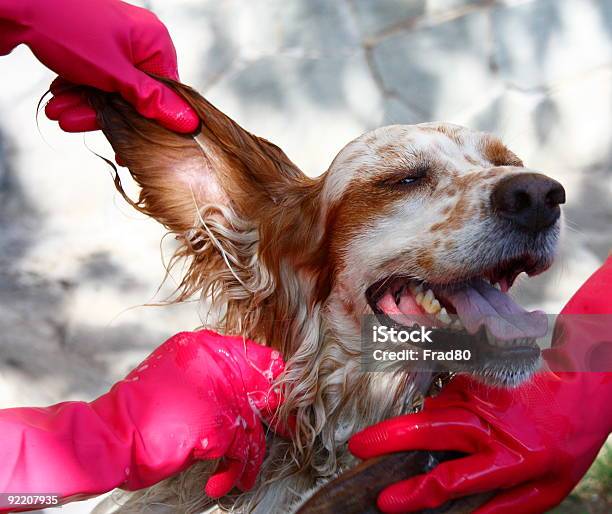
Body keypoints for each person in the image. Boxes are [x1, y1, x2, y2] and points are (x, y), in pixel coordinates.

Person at [0, 1, 609, 513]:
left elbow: (568, 343)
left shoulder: (425, 340)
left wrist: (589, 384)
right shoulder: (294, 265)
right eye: (403, 181)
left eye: (501, 168)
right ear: (288, 258)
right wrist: (100, 442)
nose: (526, 190)